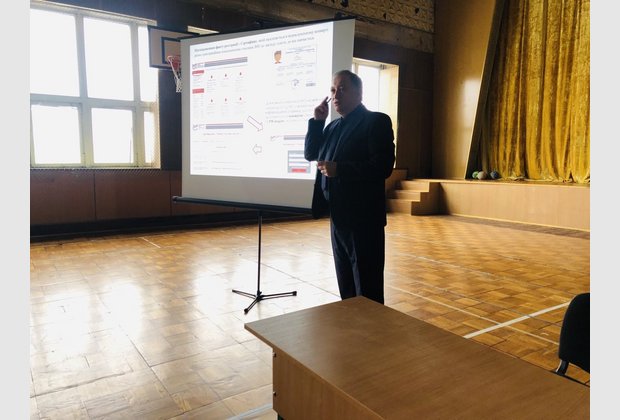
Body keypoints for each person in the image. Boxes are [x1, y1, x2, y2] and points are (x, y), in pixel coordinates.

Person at [304, 70, 395, 304]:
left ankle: (371, 328)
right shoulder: (331, 127)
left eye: (342, 89)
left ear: (359, 93)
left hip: (364, 219)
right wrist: (317, 122)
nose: (336, 95)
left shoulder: (376, 121)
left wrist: (340, 169)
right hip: (338, 217)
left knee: (367, 288)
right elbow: (311, 154)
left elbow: (382, 167)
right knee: (346, 285)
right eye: (333, 90)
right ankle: (350, 325)